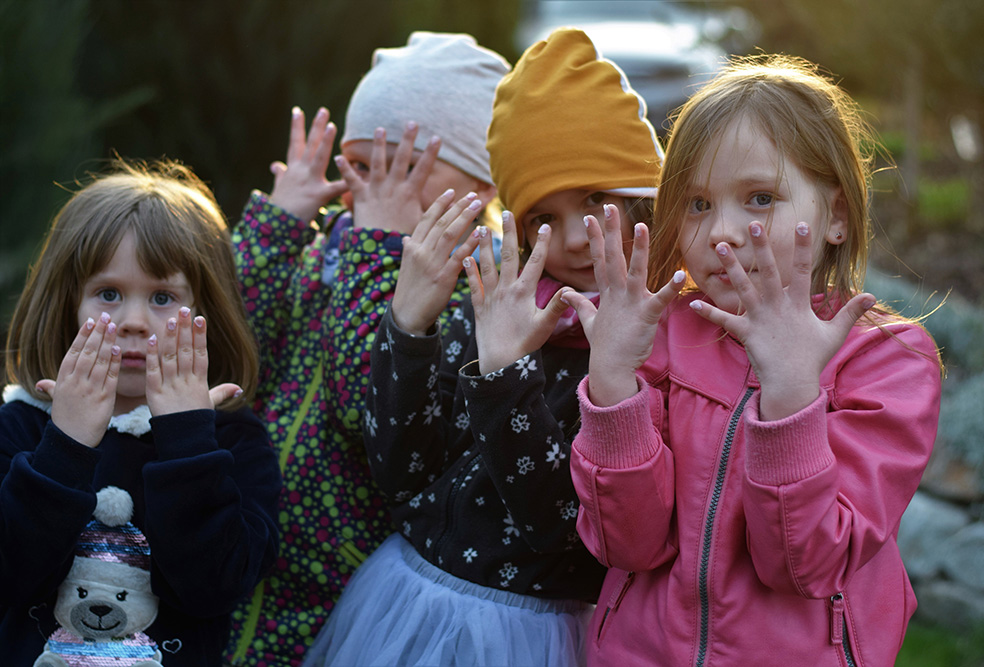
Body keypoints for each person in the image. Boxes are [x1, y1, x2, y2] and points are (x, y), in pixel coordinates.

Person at [563, 54, 943, 666]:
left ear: (836, 216)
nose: (723, 232)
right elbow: (626, 543)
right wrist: (610, 384)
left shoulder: (888, 361)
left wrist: (791, 395)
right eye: (696, 204)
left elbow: (804, 563)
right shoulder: (659, 335)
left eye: (760, 197)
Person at [303, 28, 666, 667]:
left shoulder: (656, 345)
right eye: (542, 219)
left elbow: (561, 529)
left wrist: (505, 376)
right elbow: (402, 475)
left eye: (594, 198)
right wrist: (408, 327)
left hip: (528, 636)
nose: (574, 238)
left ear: (647, 199)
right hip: (402, 606)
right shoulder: (497, 302)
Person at [225, 32, 510, 666]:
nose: (365, 188)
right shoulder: (325, 257)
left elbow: (364, 403)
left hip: (339, 599)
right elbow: (229, 360)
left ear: (484, 187)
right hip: (240, 561)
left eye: (401, 165)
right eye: (356, 164)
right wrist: (279, 227)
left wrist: (378, 253)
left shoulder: (473, 296)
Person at [0, 159, 281, 665]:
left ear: (206, 312)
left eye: (162, 296)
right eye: (108, 294)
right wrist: (64, 445)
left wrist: (188, 442)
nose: (132, 321)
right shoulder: (22, 423)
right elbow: (9, 577)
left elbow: (214, 588)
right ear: (67, 304)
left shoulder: (234, 439)